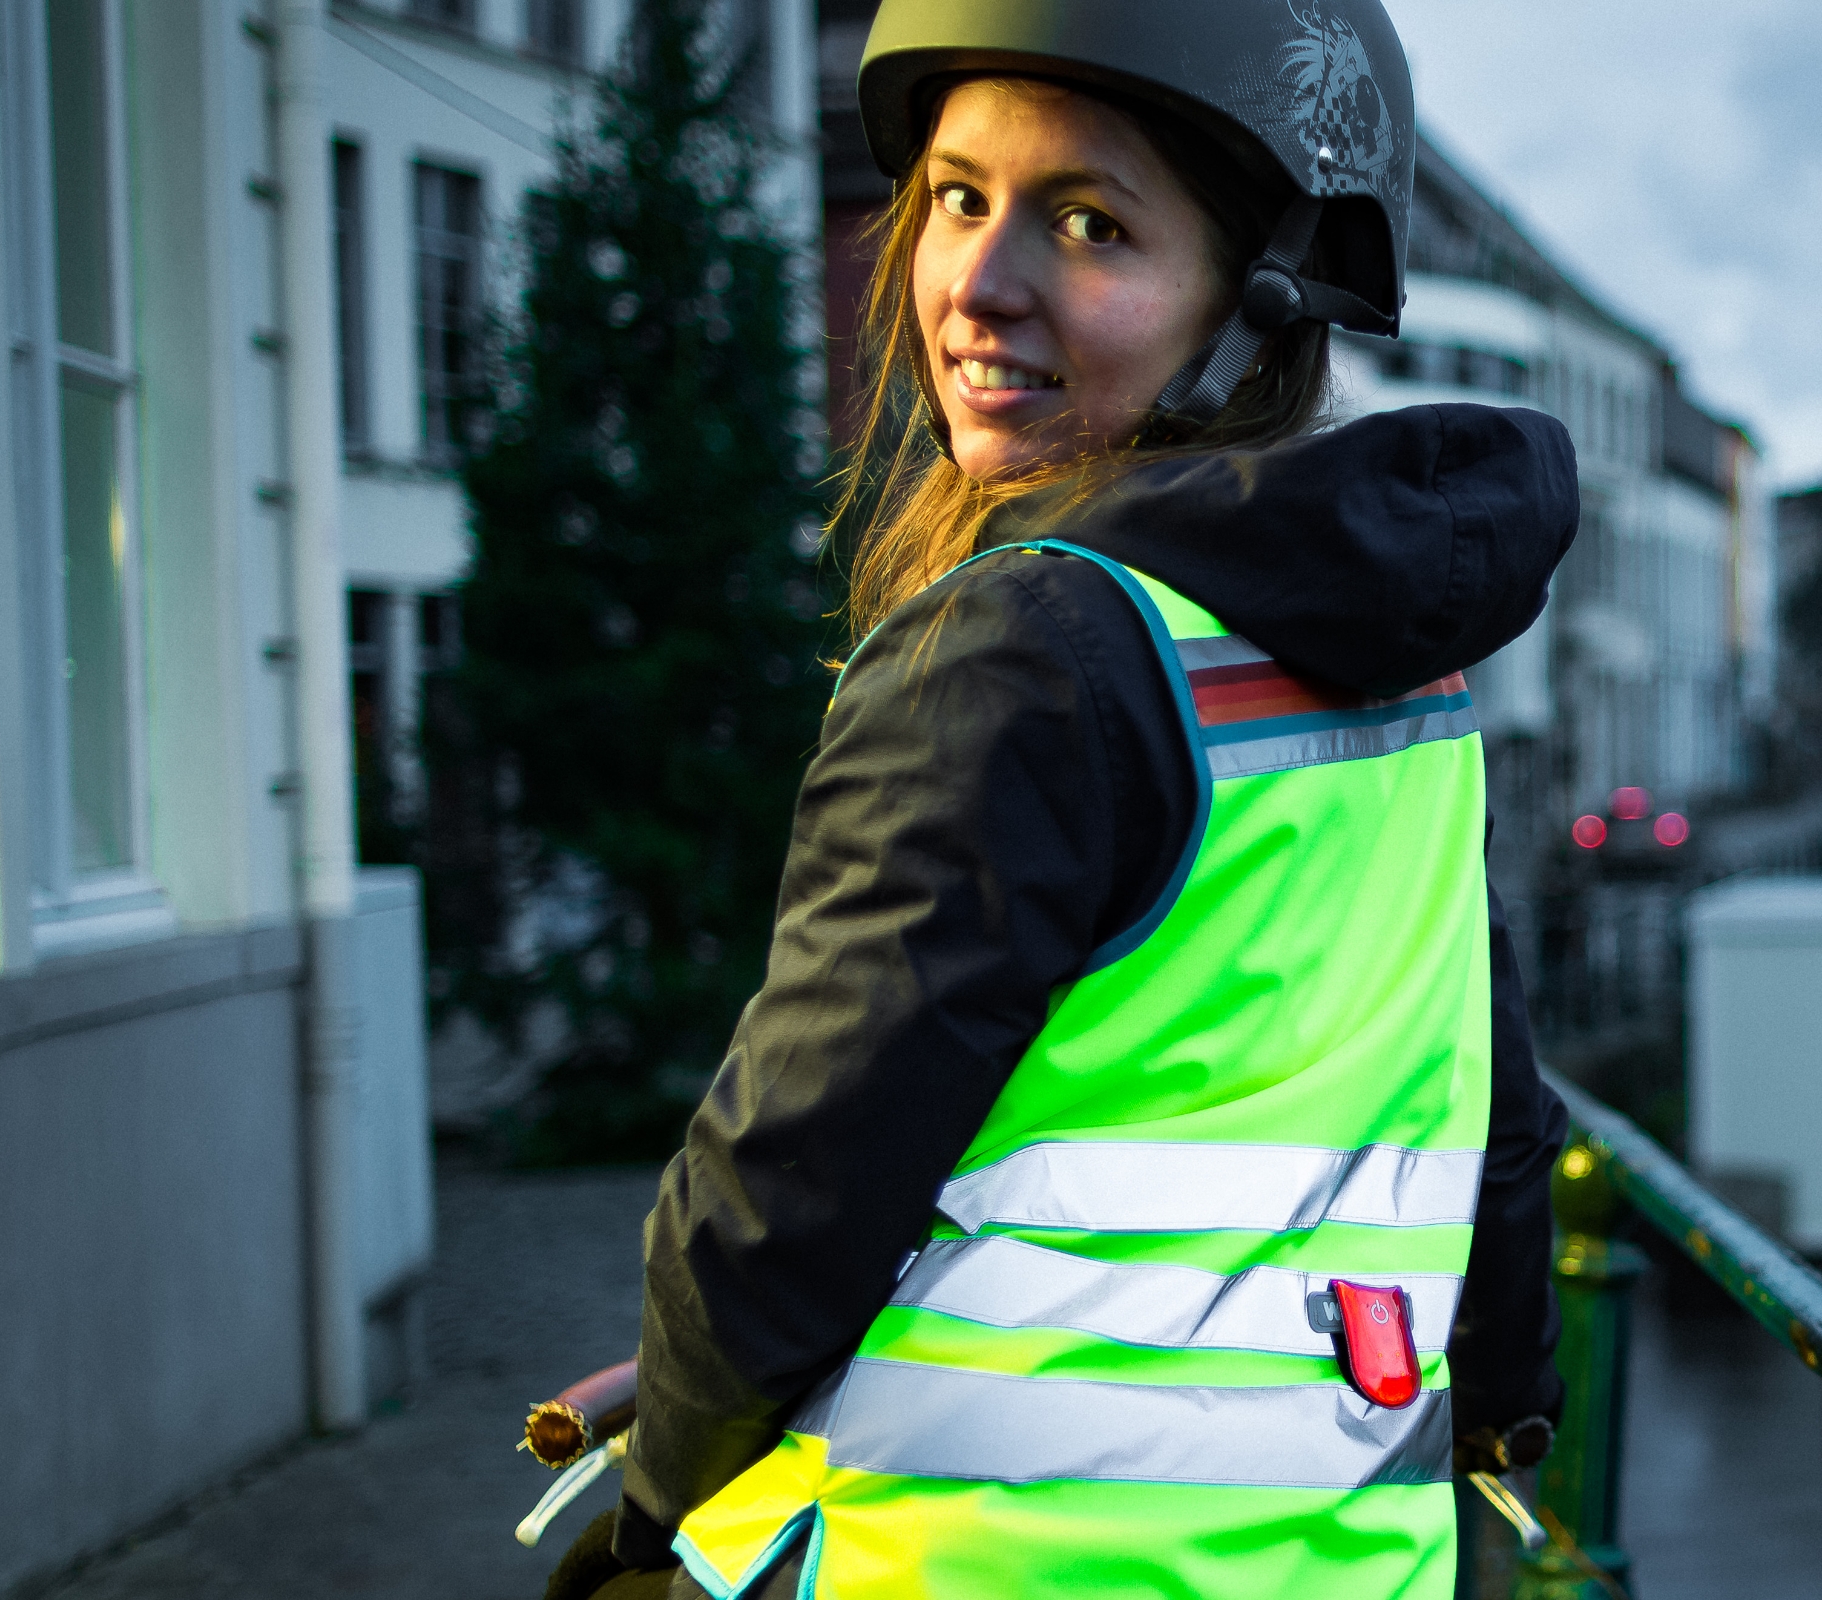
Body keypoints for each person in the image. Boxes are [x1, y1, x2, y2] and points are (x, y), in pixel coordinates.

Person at [539, 1, 1575, 1595]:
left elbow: (791, 1183)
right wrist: (1501, 1404)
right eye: (959, 197)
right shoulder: (1400, 666)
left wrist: (659, 1502)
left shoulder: (1027, 646)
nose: (977, 284)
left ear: (1260, 292)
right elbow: (1491, 1110)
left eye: (1089, 223)